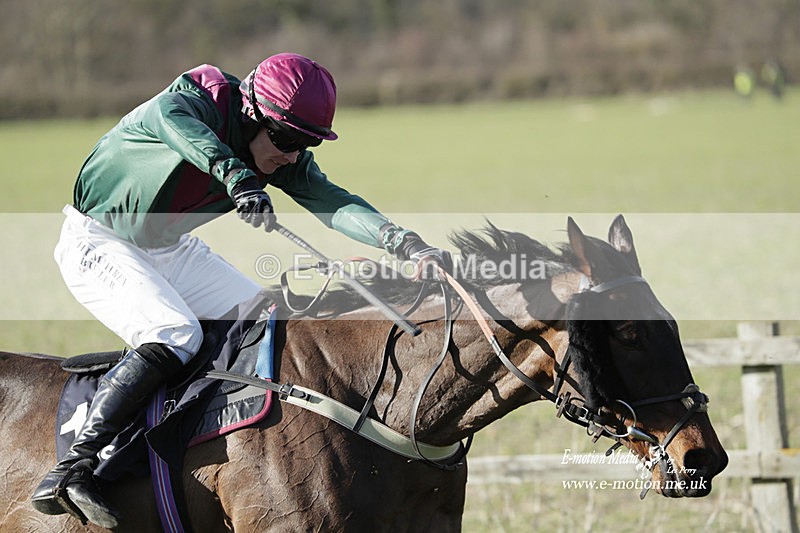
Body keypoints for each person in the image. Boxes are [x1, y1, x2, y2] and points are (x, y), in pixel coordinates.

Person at [31, 52, 451, 528]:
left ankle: (219, 450)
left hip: (168, 247)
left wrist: (406, 244)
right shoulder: (195, 99)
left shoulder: (277, 148)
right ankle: (74, 467)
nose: (292, 155)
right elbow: (174, 125)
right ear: (253, 111)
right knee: (174, 334)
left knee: (263, 319)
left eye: (306, 144)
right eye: (288, 139)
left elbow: (336, 202)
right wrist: (235, 176)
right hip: (99, 240)